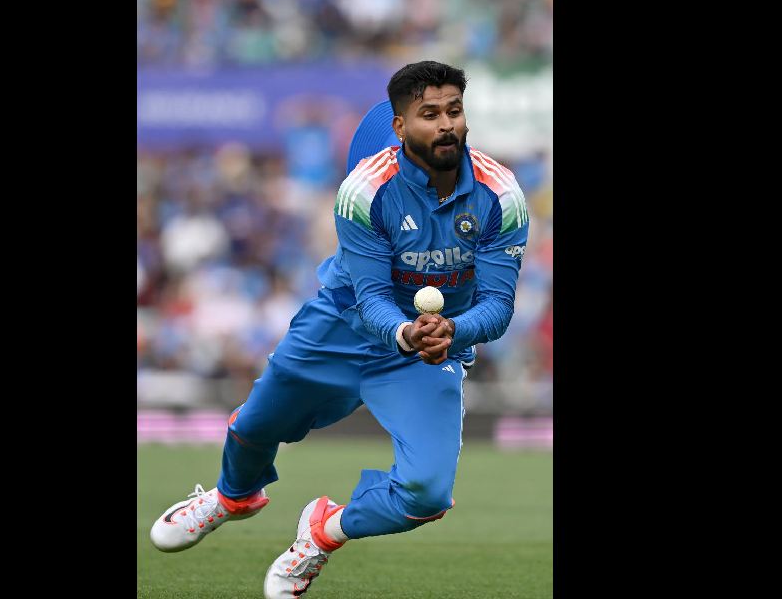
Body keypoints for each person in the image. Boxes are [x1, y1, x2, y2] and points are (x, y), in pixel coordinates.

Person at [149, 60, 529, 599]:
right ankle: (231, 497)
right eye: (429, 114)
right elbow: (371, 296)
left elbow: (498, 304)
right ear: (400, 127)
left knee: (426, 495)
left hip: (427, 351)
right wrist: (403, 332)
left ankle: (322, 532)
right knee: (254, 427)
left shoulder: (502, 195)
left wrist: (453, 331)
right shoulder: (364, 189)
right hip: (342, 327)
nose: (446, 124)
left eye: (454, 111)